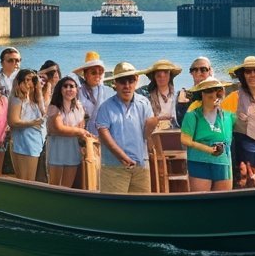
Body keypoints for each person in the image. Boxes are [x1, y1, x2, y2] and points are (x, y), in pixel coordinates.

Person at [94, 61, 158, 194]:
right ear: (115, 83)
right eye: (122, 81)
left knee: (141, 208)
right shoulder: (106, 107)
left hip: (140, 166)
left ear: (136, 81)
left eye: (131, 80)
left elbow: (145, 135)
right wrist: (122, 157)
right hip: (114, 168)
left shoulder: (144, 103)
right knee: (114, 210)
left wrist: (152, 125)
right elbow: (103, 134)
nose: (127, 86)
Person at [223, 56, 255, 188]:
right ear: (242, 75)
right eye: (248, 72)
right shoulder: (233, 97)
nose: (252, 75)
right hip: (243, 151)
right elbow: (223, 126)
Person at [179, 77, 235, 191]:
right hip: (199, 162)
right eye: (209, 90)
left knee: (223, 204)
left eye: (218, 90)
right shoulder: (192, 115)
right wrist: (209, 150)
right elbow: (185, 140)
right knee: (201, 203)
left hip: (223, 162)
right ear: (201, 94)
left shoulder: (229, 116)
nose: (214, 94)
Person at [46, 76, 93, 187]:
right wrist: (79, 131)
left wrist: (81, 133)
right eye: (65, 86)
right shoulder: (54, 107)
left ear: (76, 90)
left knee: (67, 186)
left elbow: (81, 127)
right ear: (60, 89)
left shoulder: (79, 108)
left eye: (72, 86)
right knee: (54, 186)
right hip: (57, 149)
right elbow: (59, 128)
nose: (69, 89)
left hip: (72, 149)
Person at [8, 67, 47, 181]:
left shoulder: (33, 99)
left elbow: (44, 113)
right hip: (25, 142)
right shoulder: (18, 99)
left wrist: (39, 90)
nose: (29, 83)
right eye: (26, 80)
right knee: (27, 179)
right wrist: (32, 123)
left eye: (32, 80)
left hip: (35, 142)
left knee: (32, 178)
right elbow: (13, 121)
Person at [73, 51, 111, 134]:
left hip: (105, 134)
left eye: (100, 72)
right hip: (84, 135)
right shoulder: (78, 91)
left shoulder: (108, 91)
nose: (97, 75)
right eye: (93, 72)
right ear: (85, 74)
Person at [140, 59, 182, 128]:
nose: (162, 76)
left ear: (170, 75)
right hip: (153, 133)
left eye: (165, 72)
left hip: (173, 132)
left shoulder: (178, 96)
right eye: (158, 73)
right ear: (154, 76)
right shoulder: (144, 95)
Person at [175, 56, 212, 125]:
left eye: (203, 69)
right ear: (191, 73)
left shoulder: (217, 92)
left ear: (210, 71)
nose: (198, 73)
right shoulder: (185, 95)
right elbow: (182, 122)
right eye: (195, 70)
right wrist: (181, 104)